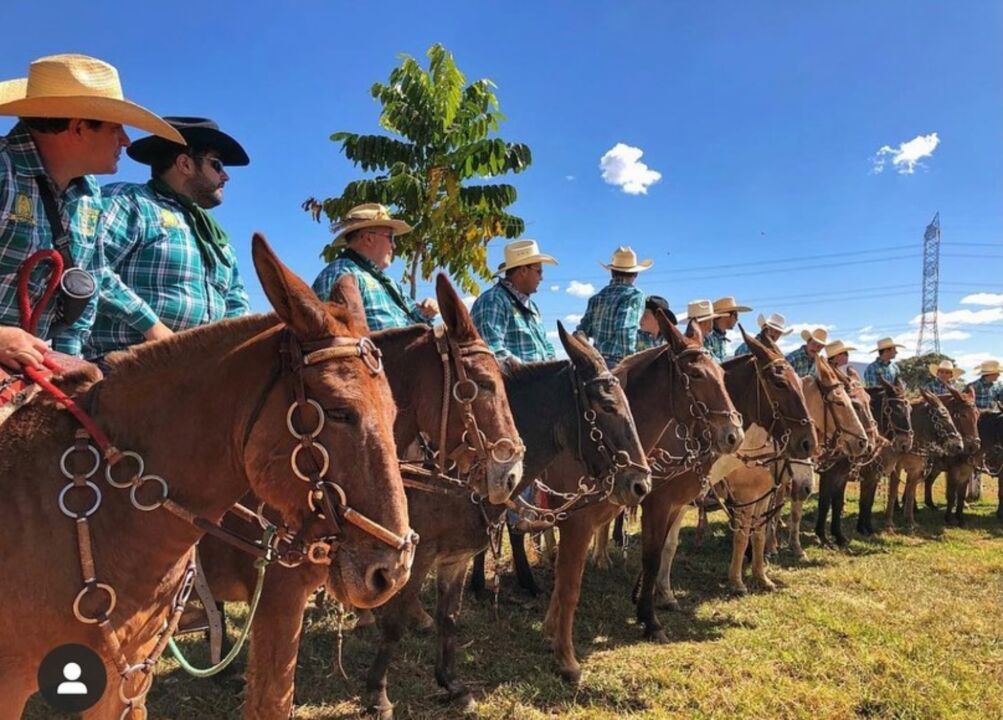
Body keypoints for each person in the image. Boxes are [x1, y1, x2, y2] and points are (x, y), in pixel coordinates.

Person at [0, 53, 183, 369]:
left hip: (26, 372)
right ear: (79, 127)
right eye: (116, 128)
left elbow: (91, 279)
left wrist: (156, 330)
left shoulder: (89, 194)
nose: (126, 141)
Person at [85, 118, 249, 358]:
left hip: (200, 374)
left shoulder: (213, 233)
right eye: (217, 165)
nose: (225, 176)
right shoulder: (128, 202)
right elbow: (88, 267)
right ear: (184, 164)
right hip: (127, 366)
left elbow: (235, 300)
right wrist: (154, 328)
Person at [311, 203, 438, 330]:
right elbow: (326, 335)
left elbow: (416, 316)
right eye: (390, 237)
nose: (394, 246)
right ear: (369, 239)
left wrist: (426, 311)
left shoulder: (389, 283)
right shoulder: (339, 273)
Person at [470, 239, 557, 366]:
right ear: (523, 271)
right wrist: (534, 375)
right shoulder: (493, 300)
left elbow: (546, 345)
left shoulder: (532, 307)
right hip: (516, 384)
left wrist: (552, 366)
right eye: (539, 271)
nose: (541, 277)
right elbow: (492, 352)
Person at [576, 246, 651, 367]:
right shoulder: (634, 295)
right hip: (618, 361)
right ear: (636, 274)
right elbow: (625, 330)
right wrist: (632, 360)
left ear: (611, 272)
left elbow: (582, 331)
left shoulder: (597, 297)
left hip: (597, 362)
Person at [704, 296, 752, 363]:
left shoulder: (721, 339)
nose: (737, 319)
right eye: (735, 315)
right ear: (726, 315)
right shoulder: (706, 337)